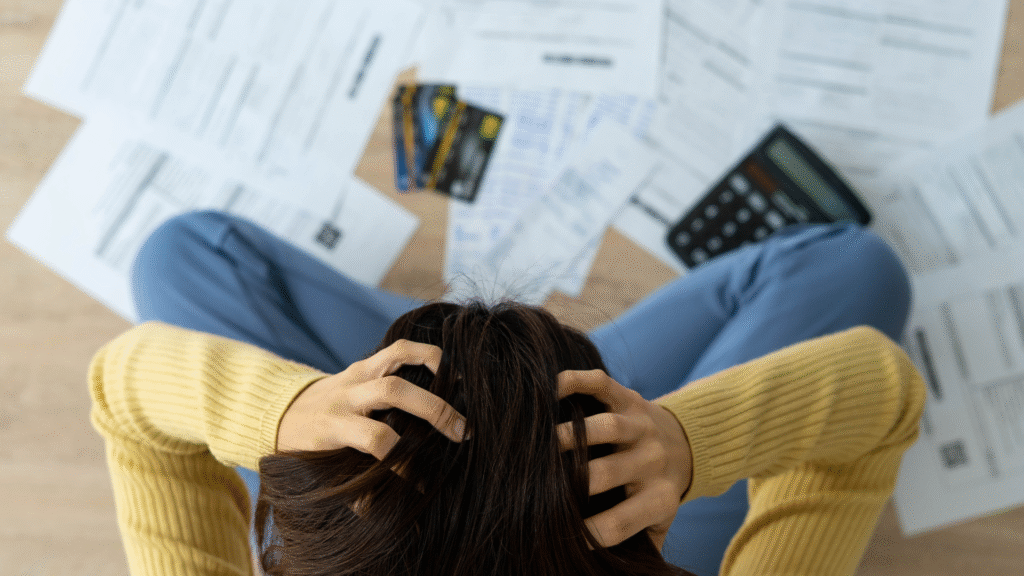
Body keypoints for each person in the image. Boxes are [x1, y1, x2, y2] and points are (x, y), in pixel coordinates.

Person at [88, 210, 925, 576]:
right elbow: (883, 395)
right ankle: (507, 383)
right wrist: (684, 440)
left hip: (428, 505)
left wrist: (286, 414)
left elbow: (126, 392)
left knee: (178, 256)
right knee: (855, 268)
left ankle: (487, 382)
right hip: (620, 501)